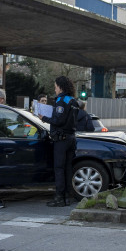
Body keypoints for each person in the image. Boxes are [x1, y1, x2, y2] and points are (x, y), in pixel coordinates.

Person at [41, 76, 79, 207]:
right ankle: (68, 197)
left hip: (61, 140)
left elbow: (58, 120)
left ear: (61, 87)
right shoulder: (73, 100)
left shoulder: (61, 101)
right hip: (71, 138)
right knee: (68, 168)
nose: (55, 89)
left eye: (56, 86)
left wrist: (43, 117)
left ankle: (59, 198)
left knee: (59, 168)